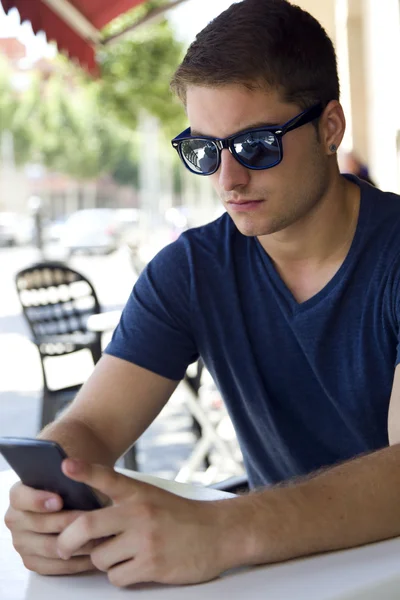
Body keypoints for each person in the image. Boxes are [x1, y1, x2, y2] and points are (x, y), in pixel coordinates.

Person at [5, 0, 400, 588]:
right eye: (205, 150)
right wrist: (49, 495)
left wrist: (221, 530)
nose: (227, 179)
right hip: (280, 578)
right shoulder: (190, 272)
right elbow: (91, 425)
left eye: (255, 146)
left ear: (330, 128)